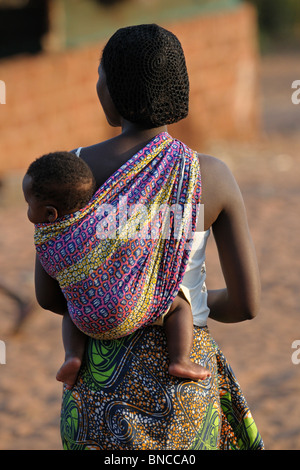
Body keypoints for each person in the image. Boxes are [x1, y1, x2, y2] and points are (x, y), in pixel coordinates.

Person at [32, 24, 264, 450]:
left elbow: (50, 295)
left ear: (113, 88)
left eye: (100, 74)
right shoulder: (212, 176)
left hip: (98, 386)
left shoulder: (71, 174)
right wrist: (167, 303)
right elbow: (247, 304)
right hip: (185, 389)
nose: (97, 83)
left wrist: (116, 301)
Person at [23, 151, 211, 390]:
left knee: (71, 306)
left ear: (51, 213)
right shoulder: (104, 222)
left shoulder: (46, 241)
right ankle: (180, 360)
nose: (28, 212)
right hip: (129, 308)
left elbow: (47, 300)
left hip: (85, 320)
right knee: (179, 303)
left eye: (28, 205)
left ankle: (72, 355)